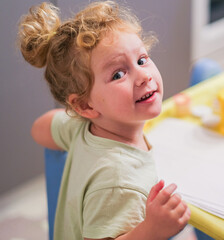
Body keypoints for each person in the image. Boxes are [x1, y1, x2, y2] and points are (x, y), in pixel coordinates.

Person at [17, 1, 191, 240]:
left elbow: (39, 129)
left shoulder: (83, 128)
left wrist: (72, 119)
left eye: (141, 59)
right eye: (118, 74)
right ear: (85, 105)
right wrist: (152, 230)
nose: (143, 76)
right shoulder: (118, 181)